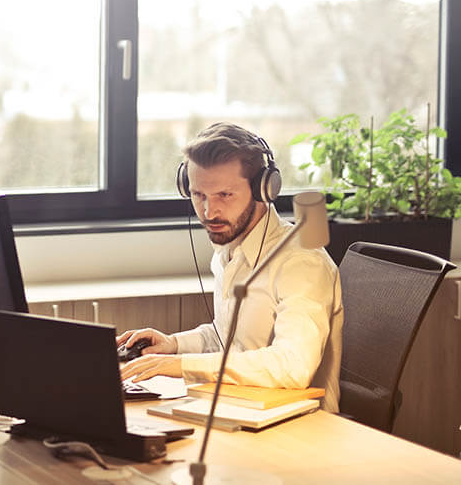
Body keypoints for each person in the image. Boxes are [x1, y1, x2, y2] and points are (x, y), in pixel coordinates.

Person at [118, 122, 343, 412]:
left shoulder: (301, 262)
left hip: (300, 426)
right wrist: (173, 345)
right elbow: (229, 339)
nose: (209, 213)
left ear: (264, 189)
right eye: (199, 196)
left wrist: (180, 365)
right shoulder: (229, 250)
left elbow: (293, 366)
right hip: (240, 407)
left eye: (225, 195)